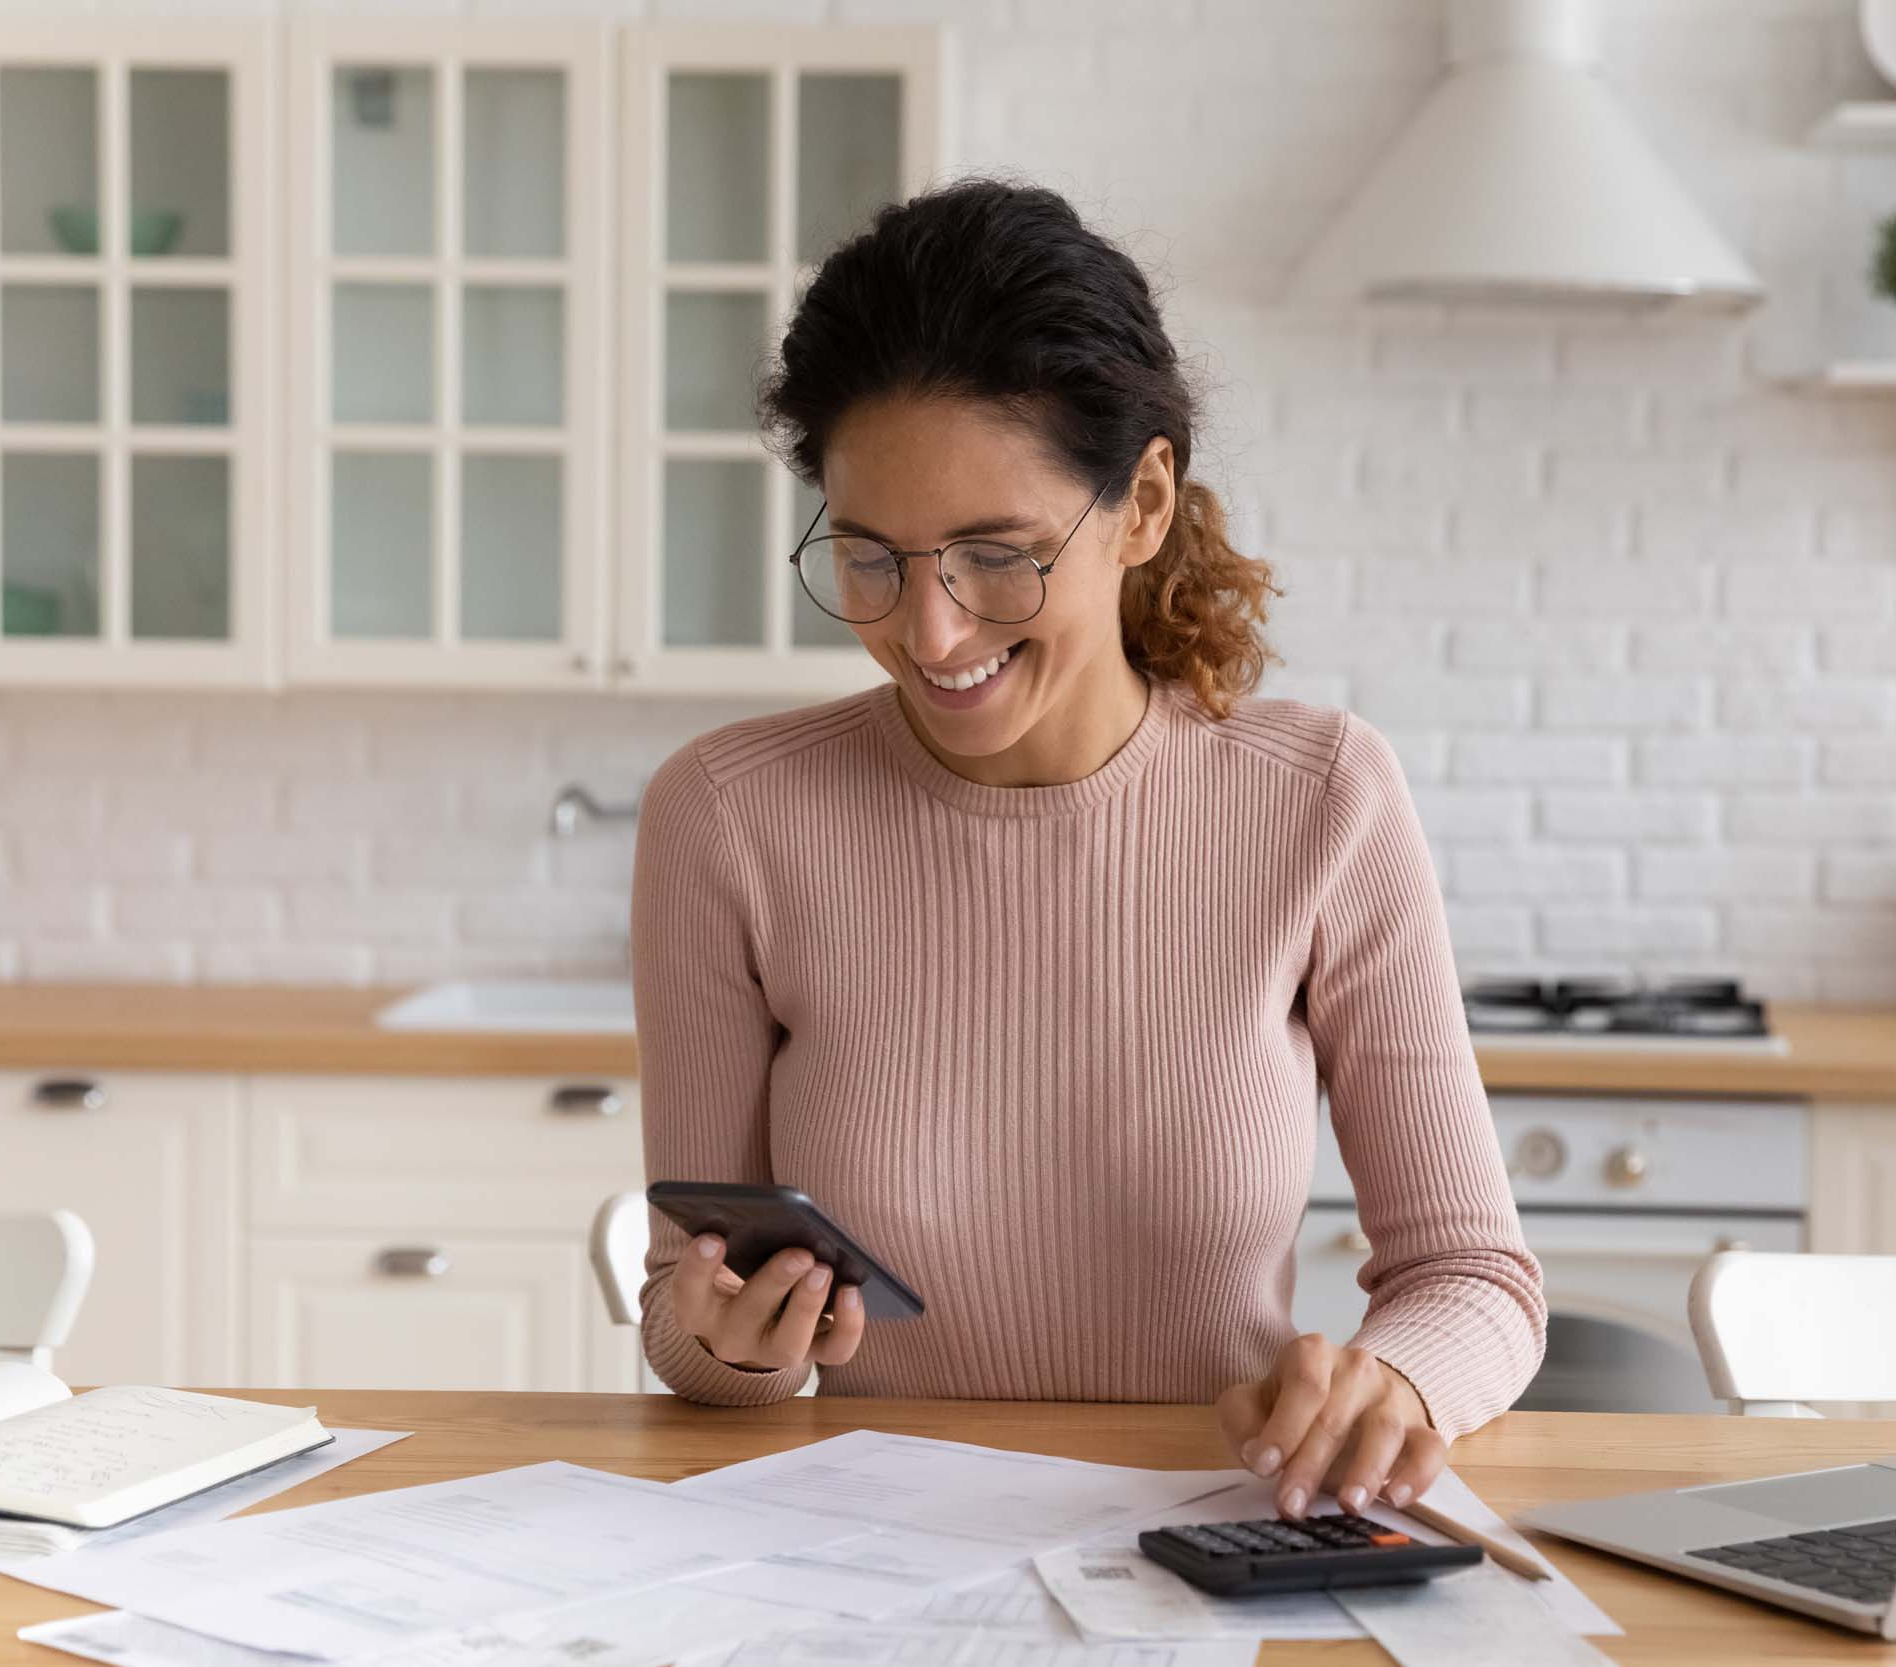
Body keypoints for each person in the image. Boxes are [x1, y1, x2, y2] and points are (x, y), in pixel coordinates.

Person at [632, 179, 1543, 1522]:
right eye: (872, 558)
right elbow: (687, 1326)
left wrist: (1394, 1385)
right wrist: (729, 1344)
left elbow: (1475, 1278)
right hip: (870, 1561)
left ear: (1146, 502)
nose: (932, 633)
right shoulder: (728, 815)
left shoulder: (1321, 799)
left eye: (998, 557)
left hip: (1215, 1539)